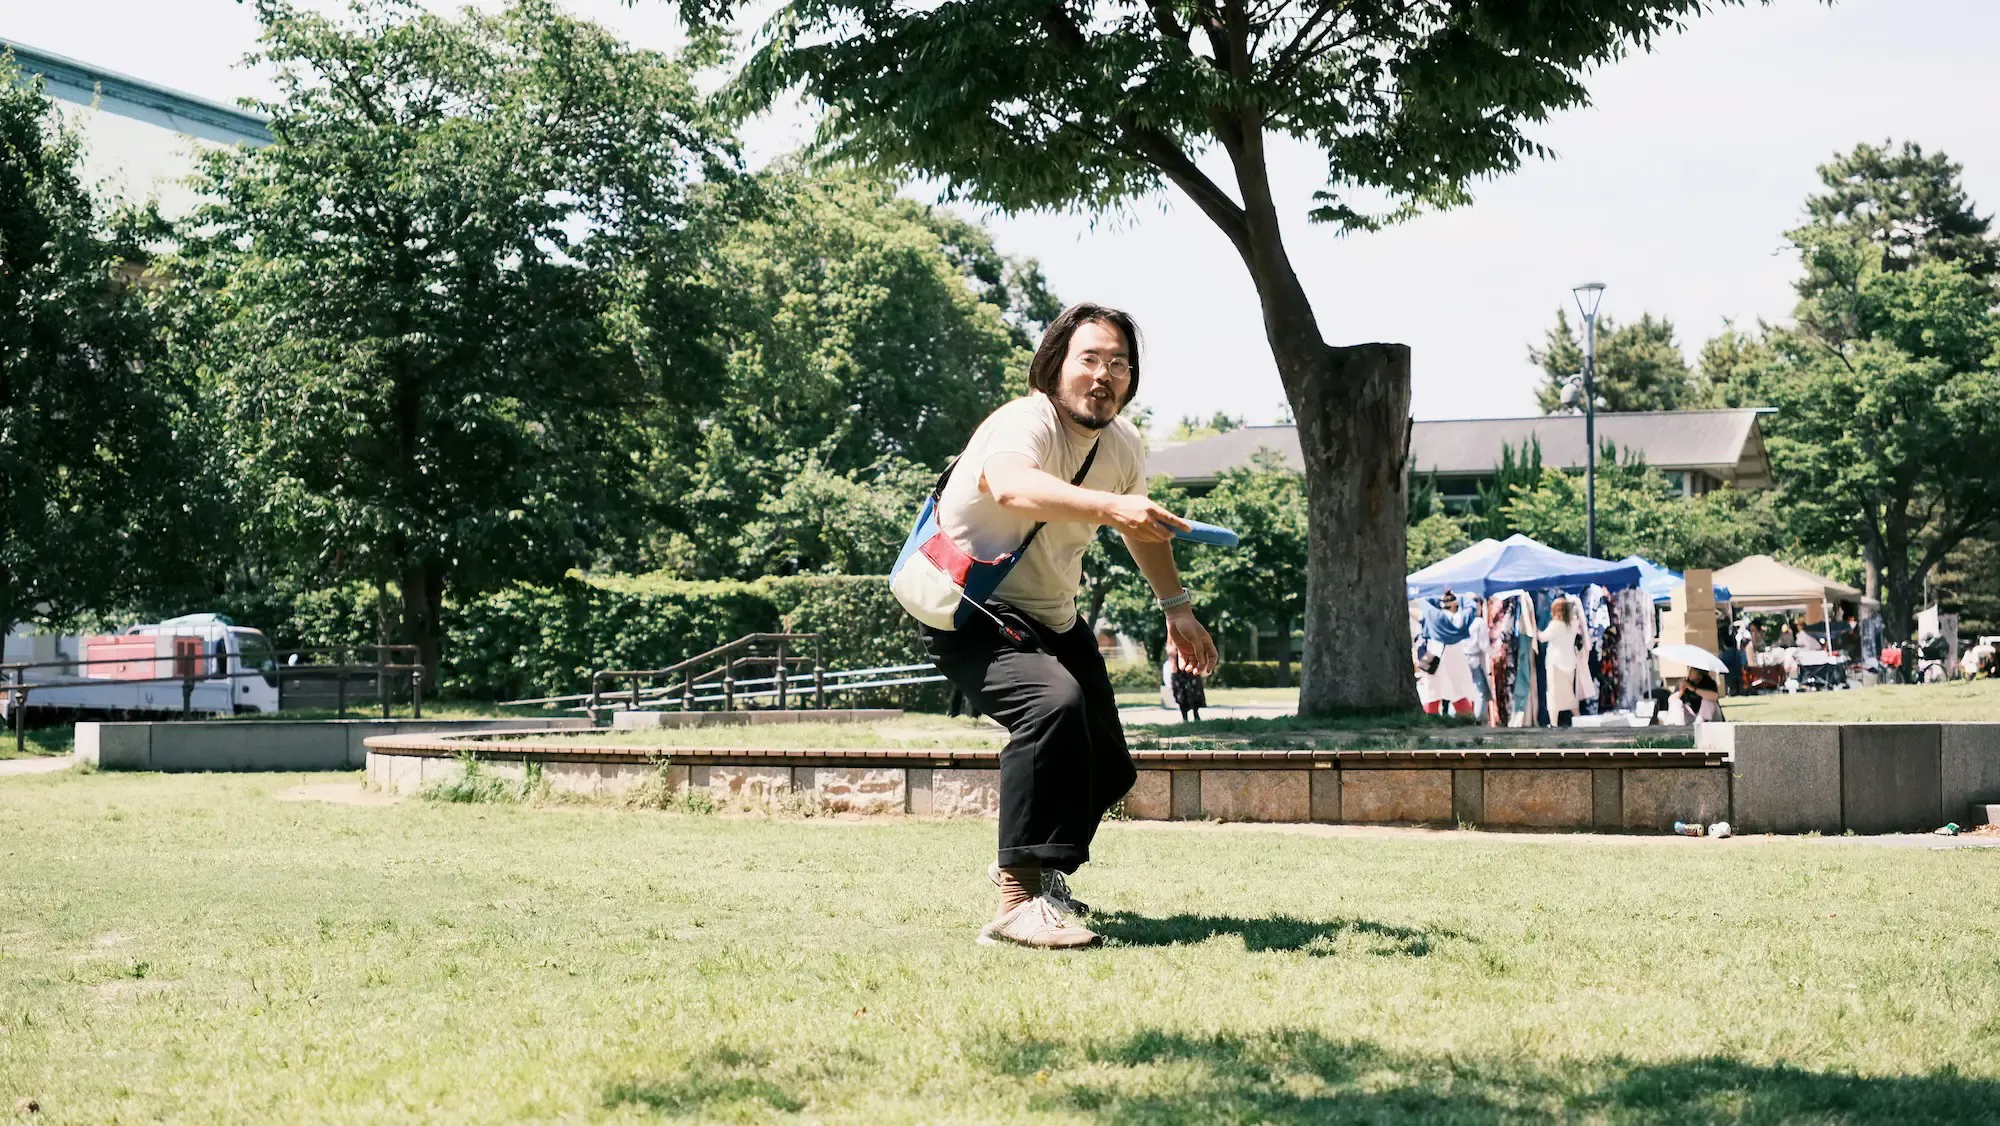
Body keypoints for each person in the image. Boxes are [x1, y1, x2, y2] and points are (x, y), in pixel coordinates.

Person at [915, 302, 1217, 951]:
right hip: (973, 612)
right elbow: (1015, 488)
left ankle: (1042, 876)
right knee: (1053, 709)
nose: (1104, 375)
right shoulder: (1025, 423)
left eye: (1119, 363)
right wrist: (1112, 506)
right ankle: (1016, 902)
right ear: (1056, 365)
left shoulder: (1123, 446)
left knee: (1107, 767)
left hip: (1053, 618)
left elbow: (1143, 532)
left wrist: (1177, 608)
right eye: (1090, 359)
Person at [1413, 590, 1479, 716]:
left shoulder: (1434, 616)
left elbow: (1424, 602)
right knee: (1459, 692)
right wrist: (1461, 598)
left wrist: (1440, 598)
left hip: (1435, 656)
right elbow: (1471, 607)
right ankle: (1466, 720)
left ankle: (1431, 721)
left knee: (1432, 693)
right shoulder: (1461, 618)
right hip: (1456, 657)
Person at [1537, 596, 1585, 727]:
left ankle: (1553, 723)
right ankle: (1578, 718)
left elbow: (1542, 638)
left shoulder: (1555, 625)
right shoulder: (1573, 624)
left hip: (1555, 663)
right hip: (1570, 662)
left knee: (1553, 693)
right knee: (1569, 693)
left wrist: (1534, 628)